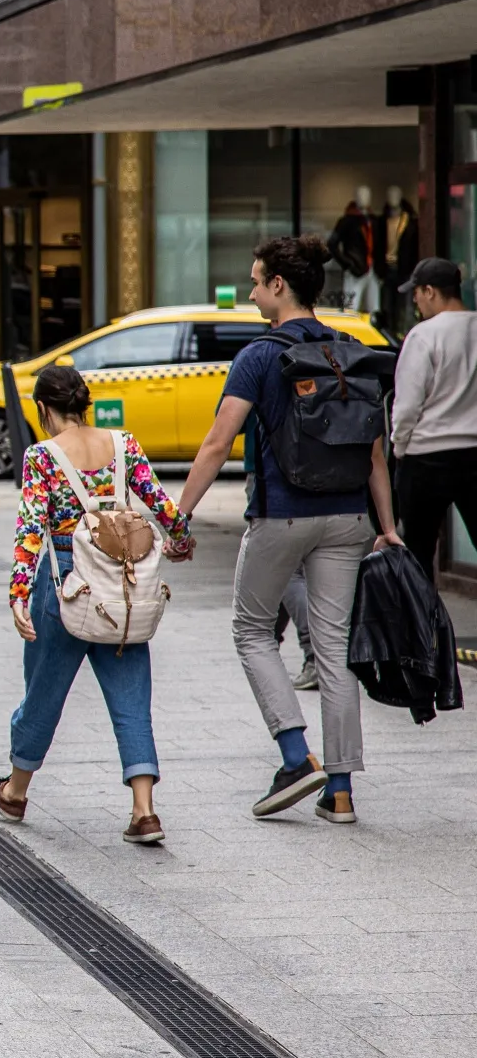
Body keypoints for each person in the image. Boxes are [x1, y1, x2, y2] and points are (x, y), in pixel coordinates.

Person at [178, 235, 402, 826]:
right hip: (351, 516)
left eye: (255, 281)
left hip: (282, 513)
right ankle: (342, 789)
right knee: (333, 648)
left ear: (280, 285)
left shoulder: (259, 356)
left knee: (252, 630)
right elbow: (375, 453)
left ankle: (292, 755)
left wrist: (179, 514)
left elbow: (217, 443)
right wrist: (389, 527)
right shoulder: (350, 350)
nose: (251, 291)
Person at [0, 365, 192, 844]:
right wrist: (180, 538)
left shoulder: (42, 456)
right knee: (132, 696)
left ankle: (14, 791)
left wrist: (17, 595)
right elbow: (159, 502)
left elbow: (31, 529)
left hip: (66, 582)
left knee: (44, 691)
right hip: (123, 584)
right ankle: (143, 810)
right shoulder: (123, 444)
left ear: (44, 409)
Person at [389, 257, 477, 584]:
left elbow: (407, 404)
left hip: (426, 456)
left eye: (416, 293)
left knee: (418, 551)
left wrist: (399, 448)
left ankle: (423, 628)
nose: (415, 300)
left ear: (430, 291)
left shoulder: (423, 336)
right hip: (474, 452)